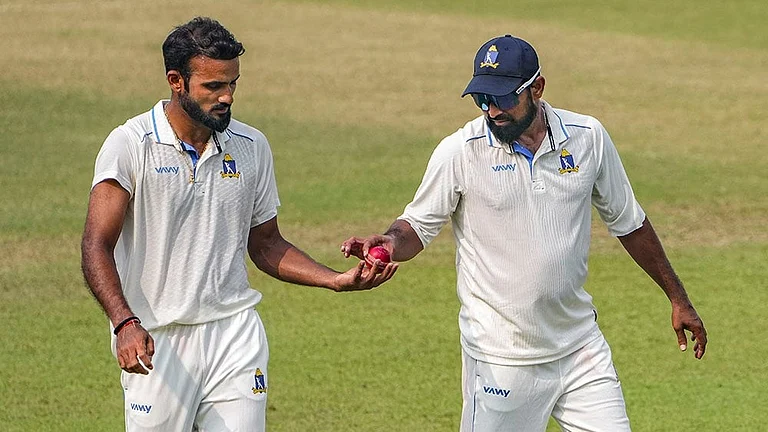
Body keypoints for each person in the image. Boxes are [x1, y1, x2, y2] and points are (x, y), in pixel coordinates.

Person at [341, 34, 707, 431]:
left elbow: (629, 224)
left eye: (502, 98)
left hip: (580, 350)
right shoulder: (461, 151)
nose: (492, 110)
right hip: (500, 360)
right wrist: (390, 241)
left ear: (537, 88)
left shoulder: (587, 137)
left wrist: (678, 298)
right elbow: (416, 225)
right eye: (482, 99)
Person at [80, 17, 397, 432]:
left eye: (232, 83)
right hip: (157, 338)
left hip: (234, 335)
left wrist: (334, 280)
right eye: (213, 86)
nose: (227, 96)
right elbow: (96, 245)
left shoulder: (251, 146)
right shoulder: (130, 145)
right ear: (176, 81)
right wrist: (124, 322)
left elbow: (266, 244)